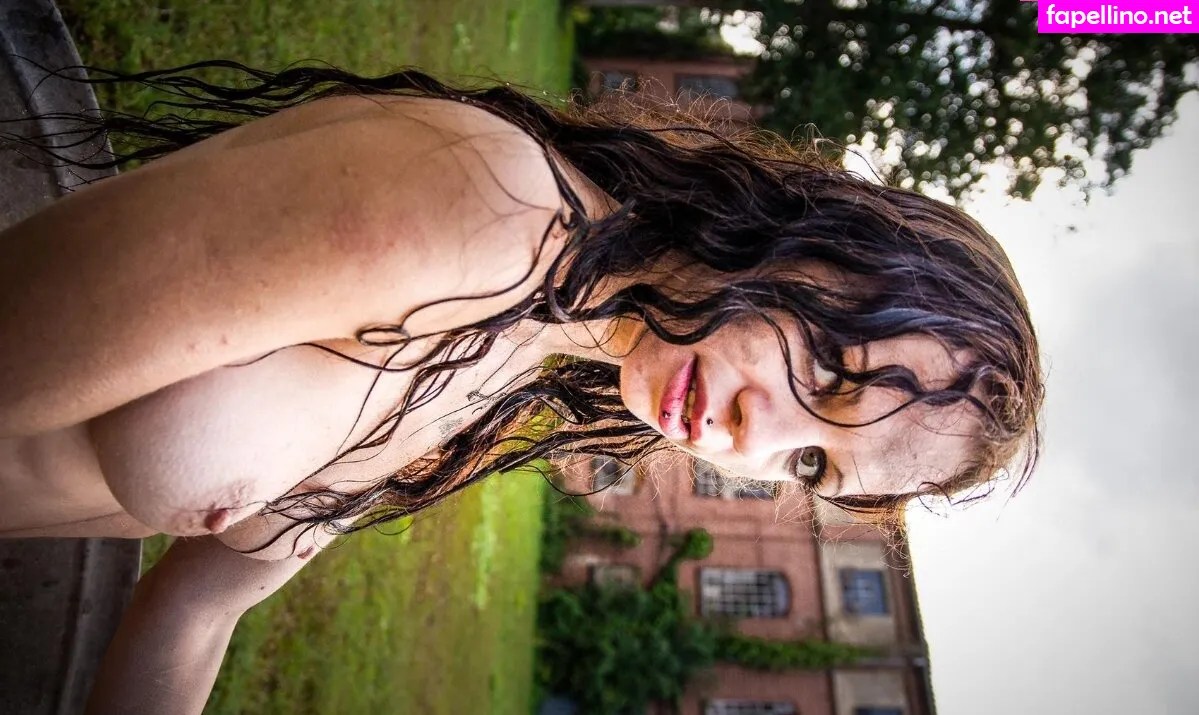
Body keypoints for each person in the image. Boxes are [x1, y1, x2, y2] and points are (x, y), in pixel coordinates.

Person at [0, 63, 1042, 714]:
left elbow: (198, 605)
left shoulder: (515, 356)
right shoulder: (482, 216)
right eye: (827, 370)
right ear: (819, 239)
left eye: (811, 461)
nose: (751, 438)